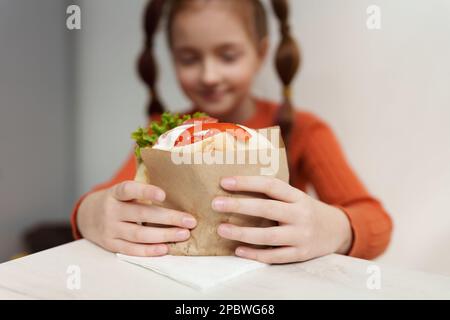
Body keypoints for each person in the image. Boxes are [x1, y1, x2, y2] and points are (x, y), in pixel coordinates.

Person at [72, 0, 392, 264]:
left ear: (261, 53)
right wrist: (90, 214)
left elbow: (374, 220)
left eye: (228, 56)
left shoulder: (305, 131)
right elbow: (112, 195)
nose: (209, 75)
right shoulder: (163, 134)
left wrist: (334, 228)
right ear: (171, 59)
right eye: (189, 58)